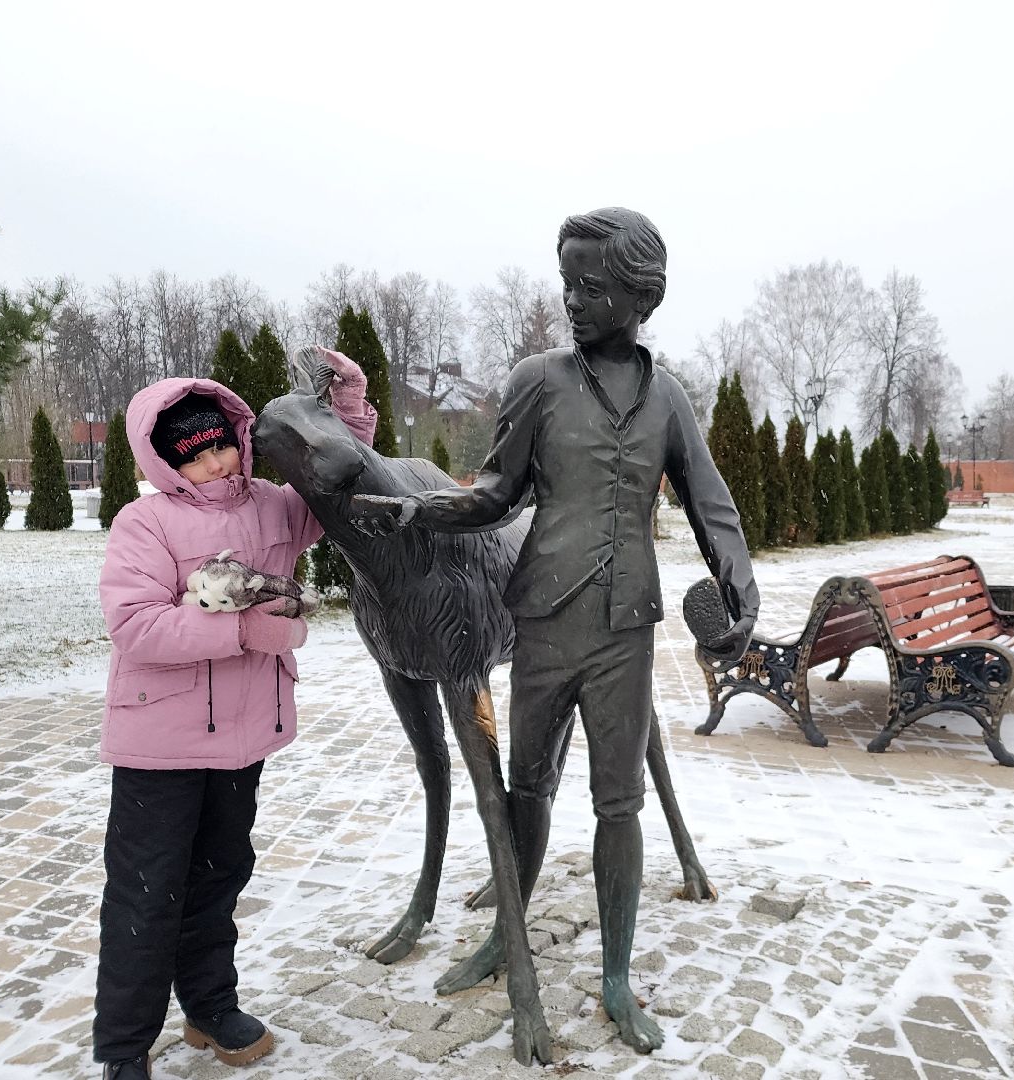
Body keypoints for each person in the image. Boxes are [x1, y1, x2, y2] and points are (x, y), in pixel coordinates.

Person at [351, 207, 757, 1053]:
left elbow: (708, 498)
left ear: (639, 294)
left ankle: (616, 977)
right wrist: (418, 512)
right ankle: (507, 934)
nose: (573, 298)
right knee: (528, 788)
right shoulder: (539, 380)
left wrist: (738, 577)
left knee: (620, 803)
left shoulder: (669, 396)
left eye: (592, 284)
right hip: (541, 618)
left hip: (626, 629)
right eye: (566, 280)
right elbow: (498, 492)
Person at [92, 378, 329, 1079]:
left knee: (220, 875)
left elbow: (338, 478)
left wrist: (347, 408)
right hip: (159, 746)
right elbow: (135, 628)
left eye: (223, 444)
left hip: (243, 736)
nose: (219, 463)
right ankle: (124, 1048)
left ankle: (208, 1005)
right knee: (146, 892)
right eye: (197, 456)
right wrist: (249, 629)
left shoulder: (277, 507)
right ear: (166, 463)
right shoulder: (147, 523)